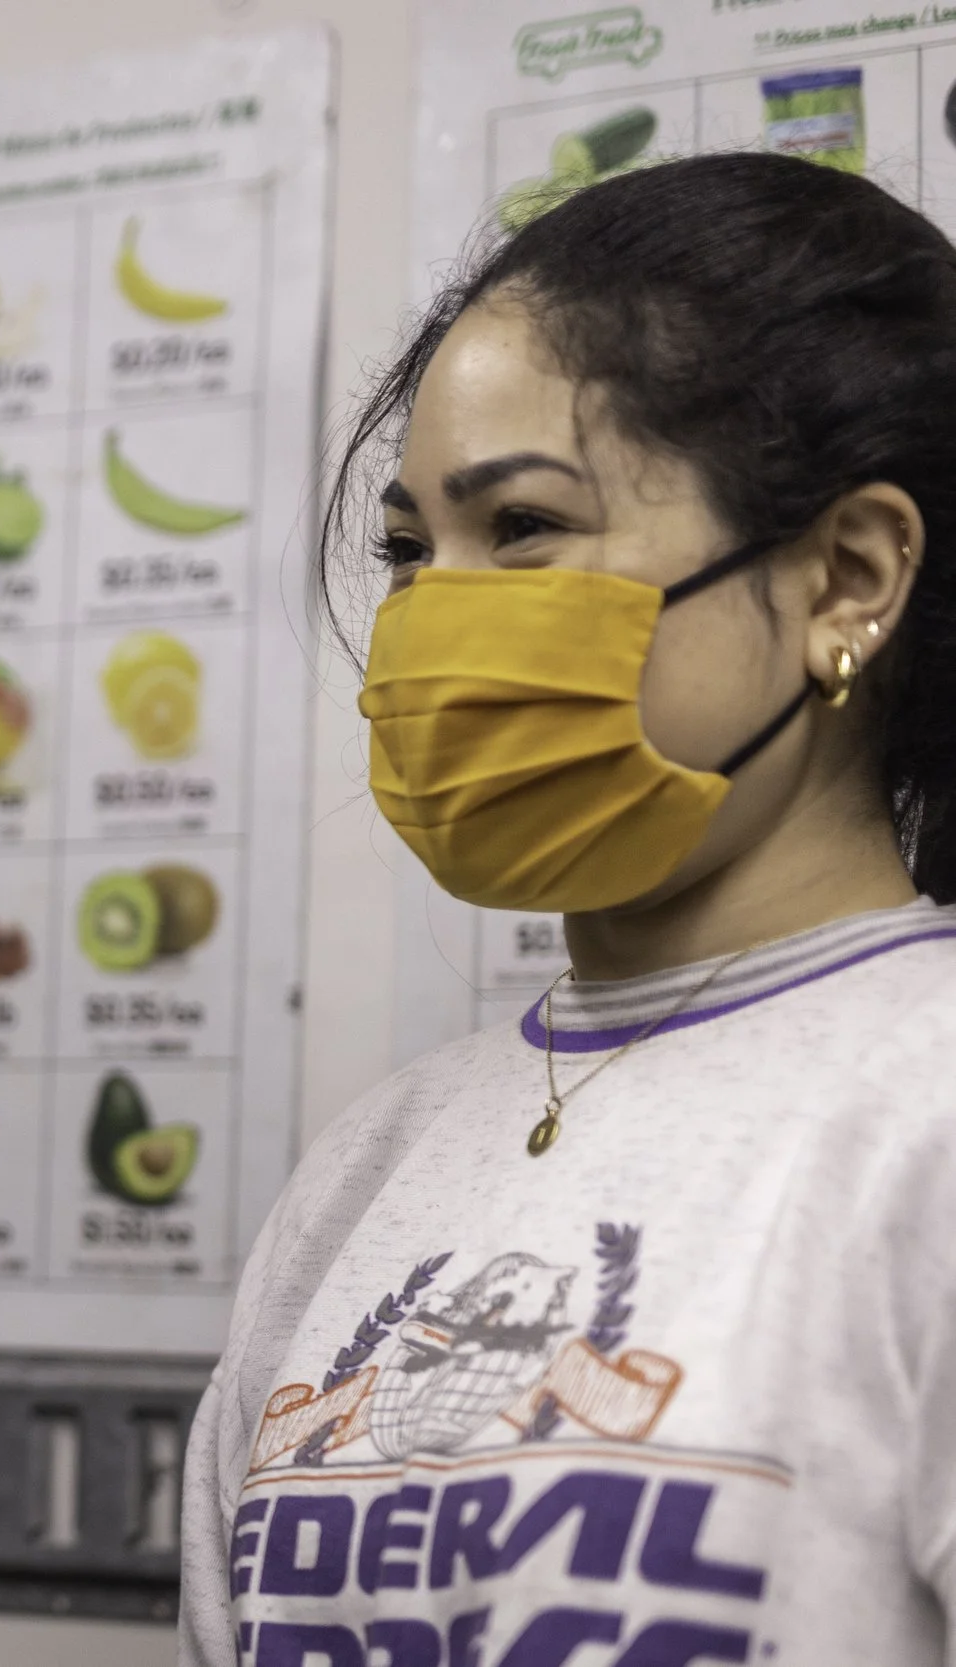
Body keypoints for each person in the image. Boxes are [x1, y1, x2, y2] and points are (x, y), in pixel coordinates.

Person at [182, 152, 956, 1664]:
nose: (429, 625)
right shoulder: (367, 1166)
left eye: (522, 528)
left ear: (847, 579)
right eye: (411, 551)